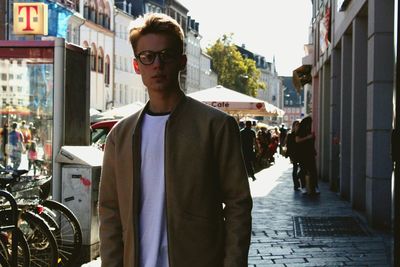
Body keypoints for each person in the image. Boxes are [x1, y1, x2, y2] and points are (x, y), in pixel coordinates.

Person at [98, 13, 252, 267]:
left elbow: (238, 204)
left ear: (181, 61)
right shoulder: (121, 135)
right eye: (147, 57)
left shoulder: (215, 126)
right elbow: (110, 213)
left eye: (166, 55)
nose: (157, 64)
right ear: (137, 65)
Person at [295, 116, 319, 196]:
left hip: (310, 153)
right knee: (303, 170)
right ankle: (304, 187)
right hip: (302, 154)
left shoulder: (310, 131)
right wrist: (307, 137)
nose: (310, 125)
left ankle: (315, 186)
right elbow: (297, 140)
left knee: (313, 171)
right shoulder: (300, 131)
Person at [285, 120, 304, 191]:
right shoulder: (290, 135)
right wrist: (289, 155)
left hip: (301, 153)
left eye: (299, 125)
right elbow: (289, 146)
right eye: (296, 125)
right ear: (293, 126)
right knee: (295, 169)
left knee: (303, 168)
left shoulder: (301, 134)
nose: (298, 126)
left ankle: (297, 179)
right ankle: (296, 185)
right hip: (294, 154)